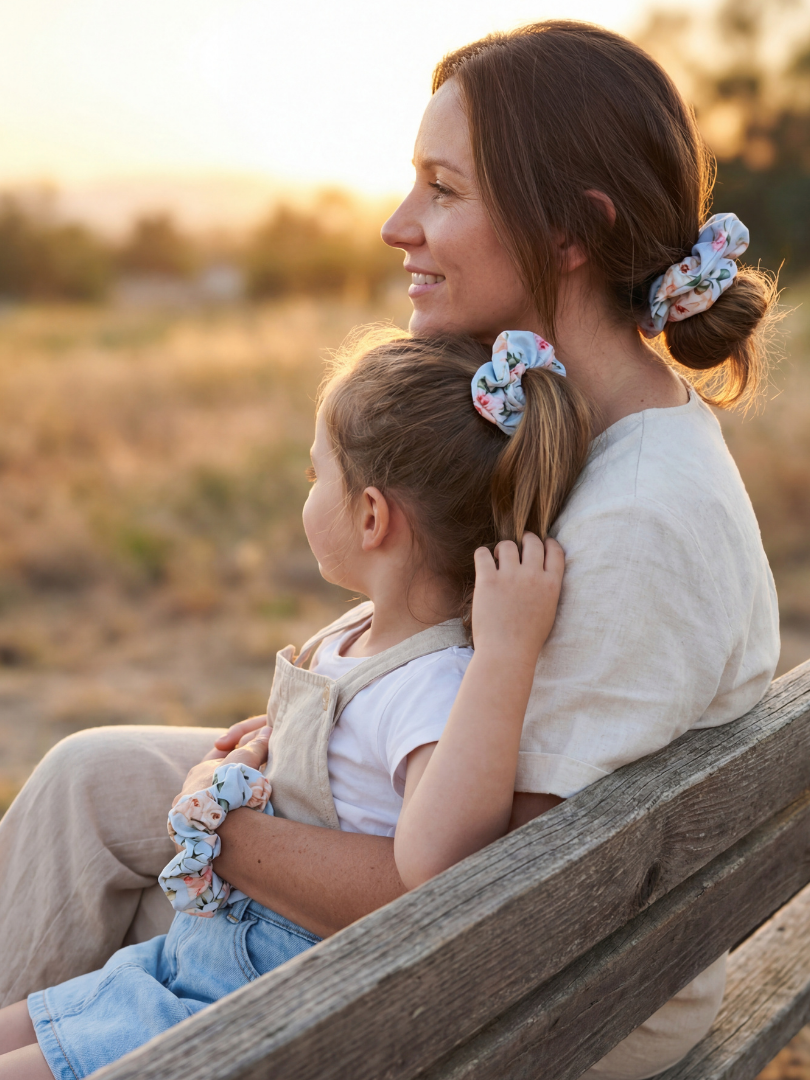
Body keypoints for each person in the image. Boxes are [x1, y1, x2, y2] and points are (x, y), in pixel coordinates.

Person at [0, 20, 779, 1080]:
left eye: (444, 189)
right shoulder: (597, 438)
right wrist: (303, 733)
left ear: (570, 234)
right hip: (542, 929)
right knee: (91, 775)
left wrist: (220, 829)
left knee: (126, 807)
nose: (395, 225)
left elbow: (484, 904)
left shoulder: (636, 523)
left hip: (552, 1007)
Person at [0, 327, 592, 1078]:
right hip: (196, 958)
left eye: (315, 476)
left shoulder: (436, 683)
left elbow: (438, 864)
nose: (306, 491)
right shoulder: (360, 633)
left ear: (372, 517)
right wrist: (261, 755)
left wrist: (507, 657)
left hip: (247, 998)